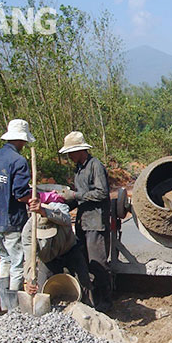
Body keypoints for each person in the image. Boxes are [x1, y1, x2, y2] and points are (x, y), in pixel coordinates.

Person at [0, 119, 34, 310]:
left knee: (4, 259)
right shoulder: (19, 161)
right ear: (21, 141)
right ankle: (13, 307)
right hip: (11, 220)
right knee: (17, 262)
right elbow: (20, 195)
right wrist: (35, 198)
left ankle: (4, 302)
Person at [58, 131, 112, 312]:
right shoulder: (79, 169)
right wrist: (63, 202)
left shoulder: (95, 166)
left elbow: (102, 193)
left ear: (81, 151)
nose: (70, 157)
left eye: (72, 153)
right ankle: (91, 298)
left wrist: (76, 195)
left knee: (98, 262)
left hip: (96, 221)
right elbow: (79, 197)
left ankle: (106, 300)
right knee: (84, 261)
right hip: (83, 221)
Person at [21, 192, 94, 305]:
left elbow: (65, 218)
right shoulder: (28, 232)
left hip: (69, 250)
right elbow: (29, 259)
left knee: (84, 281)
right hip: (48, 258)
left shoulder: (60, 211)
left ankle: (89, 307)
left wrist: (43, 211)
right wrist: (29, 279)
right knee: (41, 290)